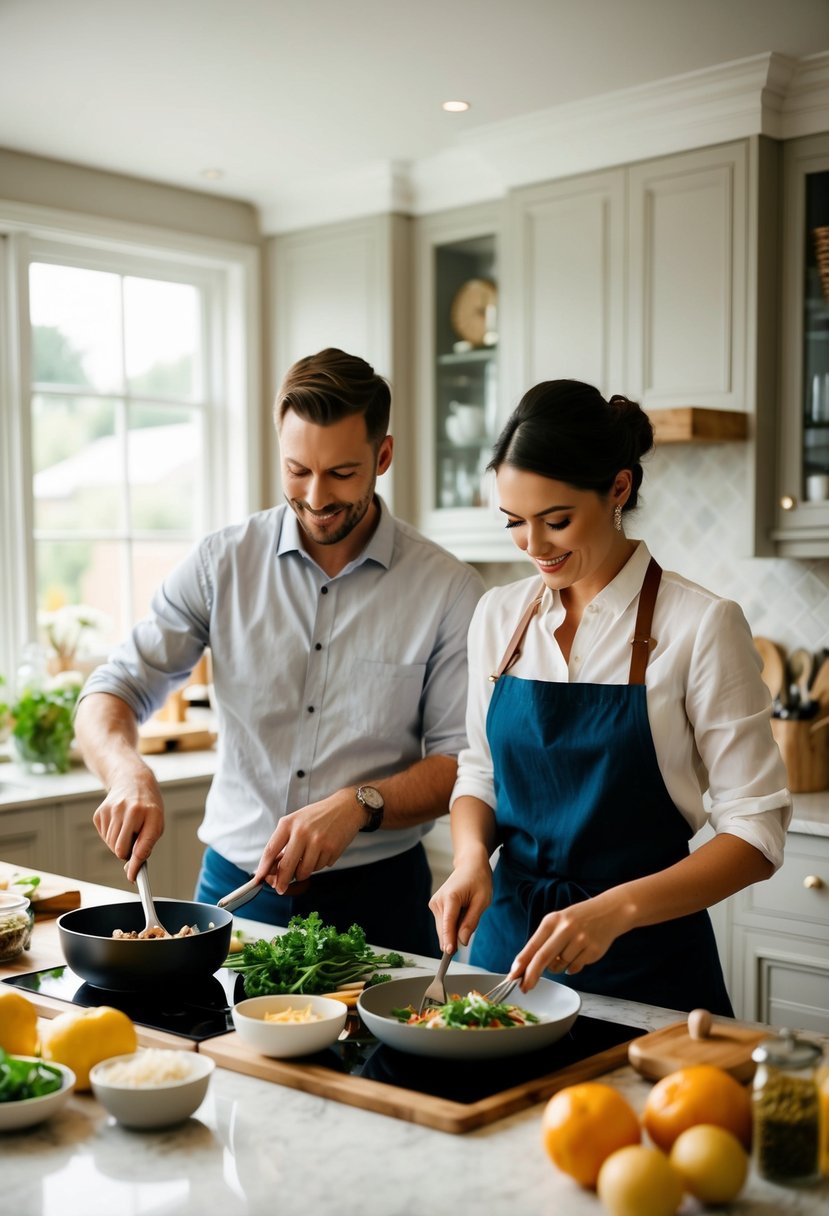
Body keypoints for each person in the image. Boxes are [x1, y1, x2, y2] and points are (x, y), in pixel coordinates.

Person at [75, 347, 484, 957]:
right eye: (298, 470)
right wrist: (126, 771)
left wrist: (359, 804)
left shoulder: (450, 588)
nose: (317, 497)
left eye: (342, 473)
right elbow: (112, 689)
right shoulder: (222, 563)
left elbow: (461, 763)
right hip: (233, 891)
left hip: (380, 898)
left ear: (384, 456)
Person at [429, 379, 791, 1014]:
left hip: (648, 968)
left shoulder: (701, 624)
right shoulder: (497, 616)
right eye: (515, 522)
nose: (534, 547)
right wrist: (467, 861)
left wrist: (616, 909)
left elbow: (756, 833)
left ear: (618, 489)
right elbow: (479, 772)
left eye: (557, 520)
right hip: (509, 960)